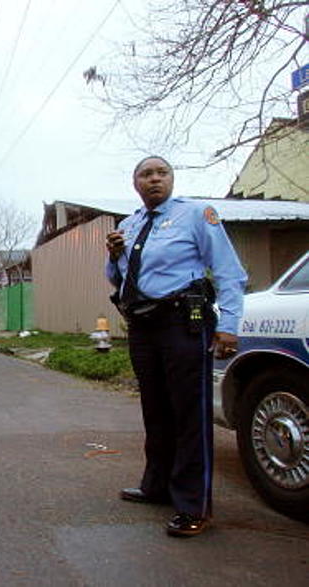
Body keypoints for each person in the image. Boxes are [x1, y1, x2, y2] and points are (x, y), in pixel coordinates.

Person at [105, 156, 247, 538]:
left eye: (160, 173)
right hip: (143, 324)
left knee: (189, 413)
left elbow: (230, 272)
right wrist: (114, 255)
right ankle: (157, 486)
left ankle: (193, 504)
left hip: (183, 321)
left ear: (171, 178)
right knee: (155, 408)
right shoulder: (129, 225)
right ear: (134, 183)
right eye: (145, 174)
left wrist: (229, 326)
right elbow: (118, 278)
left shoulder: (197, 214)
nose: (154, 179)